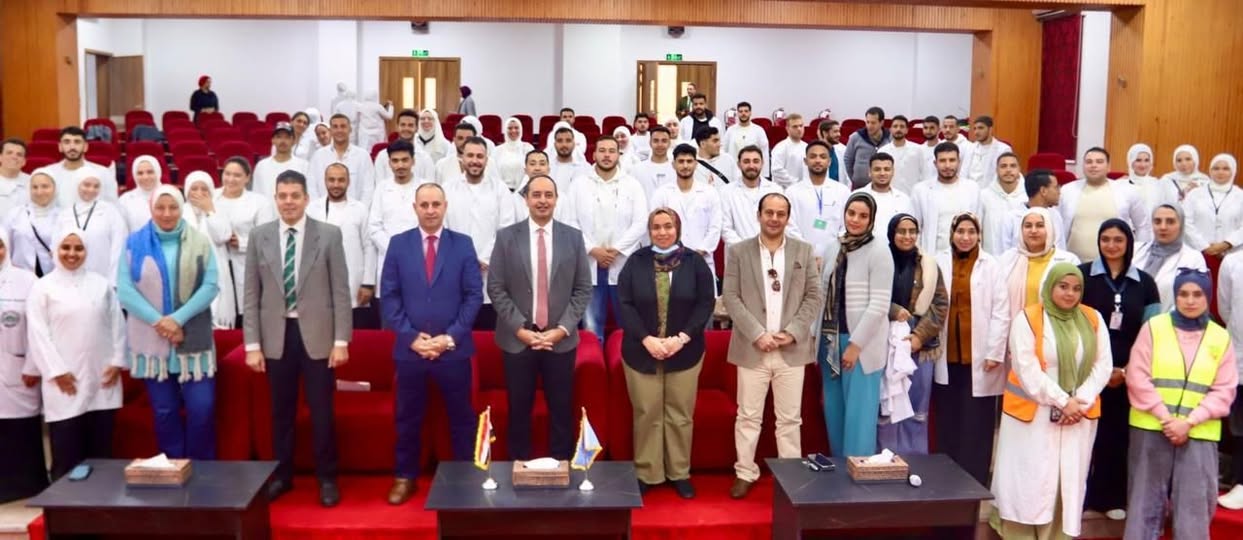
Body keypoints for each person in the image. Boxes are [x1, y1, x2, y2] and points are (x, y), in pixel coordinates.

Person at [243, 171, 353, 507]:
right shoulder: (259, 236)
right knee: (281, 413)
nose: (288, 202)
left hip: (318, 337)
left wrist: (341, 341)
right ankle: (283, 475)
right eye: (283, 196)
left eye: (294, 195)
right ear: (275, 198)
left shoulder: (328, 235)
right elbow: (251, 293)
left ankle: (327, 478)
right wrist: (252, 345)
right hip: (276, 337)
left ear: (306, 198)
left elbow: (340, 290)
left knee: (322, 412)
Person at [991, 263, 1112, 539]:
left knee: (1065, 482)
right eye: (1063, 286)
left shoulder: (1092, 318)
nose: (1070, 294)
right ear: (1049, 286)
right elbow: (1027, 369)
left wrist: (1079, 402)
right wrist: (1062, 401)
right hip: (1032, 417)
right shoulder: (1028, 318)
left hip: (1077, 417)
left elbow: (1103, 365)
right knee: (1029, 482)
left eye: (1076, 288)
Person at [381, 183, 482, 505]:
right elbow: (390, 296)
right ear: (415, 208)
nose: (430, 210)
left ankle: (466, 477)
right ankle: (405, 476)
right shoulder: (398, 244)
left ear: (445, 206)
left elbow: (473, 296)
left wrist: (450, 337)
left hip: (453, 350)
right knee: (407, 418)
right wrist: (411, 338)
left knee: (462, 419)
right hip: (411, 351)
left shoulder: (462, 244)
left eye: (436, 204)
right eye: (424, 204)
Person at [723, 192, 822, 499]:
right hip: (753, 348)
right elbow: (731, 297)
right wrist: (757, 333)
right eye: (769, 212)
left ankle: (790, 477)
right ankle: (745, 471)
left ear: (788, 218)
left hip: (790, 349)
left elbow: (814, 296)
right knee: (748, 417)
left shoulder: (804, 251)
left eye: (781, 213)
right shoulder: (739, 251)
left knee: (790, 419)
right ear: (759, 215)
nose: (774, 218)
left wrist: (792, 332)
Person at [487, 175, 593, 460]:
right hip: (517, 339)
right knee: (519, 408)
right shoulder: (506, 237)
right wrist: (520, 329)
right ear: (526, 199)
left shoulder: (573, 237)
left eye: (548, 195)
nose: (542, 201)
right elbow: (496, 288)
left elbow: (583, 288)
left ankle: (560, 466)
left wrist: (562, 329)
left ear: (556, 199)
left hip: (560, 339)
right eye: (536, 195)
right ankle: (519, 466)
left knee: (561, 408)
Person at [1126, 268, 1236, 540]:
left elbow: (1224, 389)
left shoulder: (1220, 337)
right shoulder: (1154, 328)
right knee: (1143, 506)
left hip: (1199, 432)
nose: (1190, 300)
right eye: (1183, 294)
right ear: (1175, 296)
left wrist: (1189, 422)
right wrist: (1167, 418)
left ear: (1207, 297)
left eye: (1197, 294)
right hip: (1152, 427)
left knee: (1194, 511)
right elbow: (1137, 376)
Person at [618, 208, 715, 498]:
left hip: (684, 351)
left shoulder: (695, 262)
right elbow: (625, 304)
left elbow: (705, 304)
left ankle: (679, 472)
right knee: (647, 413)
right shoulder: (635, 262)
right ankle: (647, 472)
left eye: (668, 226)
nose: (662, 232)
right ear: (649, 231)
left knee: (679, 414)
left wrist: (681, 338)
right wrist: (647, 339)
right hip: (641, 350)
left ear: (678, 229)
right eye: (656, 227)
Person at [118, 185, 220, 460]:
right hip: (153, 343)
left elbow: (210, 286)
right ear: (151, 209)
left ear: (181, 208)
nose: (166, 213)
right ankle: (173, 465)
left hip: (194, 341)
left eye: (173, 207)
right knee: (164, 411)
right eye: (160, 207)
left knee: (202, 408)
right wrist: (160, 322)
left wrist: (177, 319)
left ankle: (202, 468)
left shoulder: (200, 242)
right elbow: (125, 291)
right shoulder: (133, 243)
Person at [1077, 219, 1162, 521]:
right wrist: (1099, 369)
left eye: (1118, 240)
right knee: (1087, 435)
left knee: (1118, 436)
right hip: (1088, 371)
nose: (1111, 246)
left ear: (1129, 243)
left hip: (1129, 373)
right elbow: (1074, 325)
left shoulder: (1145, 283)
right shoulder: (1082, 276)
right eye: (1105, 239)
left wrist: (1125, 370)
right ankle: (1082, 497)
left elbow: (1151, 332)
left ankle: (1113, 497)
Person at [28, 227, 125, 480]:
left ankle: (101, 499)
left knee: (101, 451)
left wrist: (117, 362)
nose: (72, 254)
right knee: (67, 449)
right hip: (64, 382)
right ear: (55, 249)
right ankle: (65, 501)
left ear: (86, 251)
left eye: (79, 248)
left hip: (102, 379)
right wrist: (56, 372)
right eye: (66, 247)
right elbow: (38, 335)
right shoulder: (42, 287)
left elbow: (118, 325)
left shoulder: (101, 284)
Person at [933, 212, 1010, 486]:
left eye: (971, 232)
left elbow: (1001, 312)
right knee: (949, 418)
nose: (965, 237)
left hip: (980, 358)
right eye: (960, 232)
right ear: (952, 234)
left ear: (979, 235)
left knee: (977, 421)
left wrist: (994, 352)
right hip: (947, 356)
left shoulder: (992, 266)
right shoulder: (938, 261)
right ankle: (947, 478)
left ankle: (974, 479)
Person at [818, 192, 893, 459]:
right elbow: (822, 293)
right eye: (851, 213)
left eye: (863, 216)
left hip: (861, 345)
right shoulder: (834, 247)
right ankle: (839, 471)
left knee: (859, 417)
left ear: (871, 220)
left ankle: (858, 473)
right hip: (830, 340)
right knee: (834, 412)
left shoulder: (879, 250)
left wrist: (855, 345)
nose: (855, 220)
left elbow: (879, 305)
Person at [876, 214, 947, 456]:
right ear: (891, 233)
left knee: (917, 408)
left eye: (912, 231)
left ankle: (916, 462)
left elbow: (940, 304)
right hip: (884, 340)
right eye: (901, 231)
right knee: (886, 405)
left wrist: (918, 337)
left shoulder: (929, 265)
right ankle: (886, 461)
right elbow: (870, 297)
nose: (907, 236)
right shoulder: (880, 260)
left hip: (920, 345)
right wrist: (893, 311)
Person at [566, 136, 648, 343]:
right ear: (594, 154)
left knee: (628, 328)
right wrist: (593, 250)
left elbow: (640, 222)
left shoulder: (632, 185)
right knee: (592, 329)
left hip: (622, 263)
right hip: (589, 262)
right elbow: (570, 221)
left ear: (618, 155)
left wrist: (615, 250)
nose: (606, 155)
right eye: (602, 150)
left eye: (611, 151)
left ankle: (625, 361)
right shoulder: (578, 185)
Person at [444, 137, 518, 330]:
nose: (475, 161)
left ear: (487, 159)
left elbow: (506, 229)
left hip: (490, 271)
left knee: (487, 333)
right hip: (456, 271)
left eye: (479, 156)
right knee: (457, 334)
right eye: (470, 155)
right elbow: (443, 228)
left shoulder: (500, 189)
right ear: (461, 158)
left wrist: (484, 258)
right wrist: (466, 259)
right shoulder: (447, 188)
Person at [0, 225, 46, 502]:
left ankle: (27, 485)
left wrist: (32, 365)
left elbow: (38, 328)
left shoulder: (26, 281)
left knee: (20, 429)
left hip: (18, 368)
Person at [307, 163, 378, 330]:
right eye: (331, 180)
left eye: (341, 180)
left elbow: (369, 246)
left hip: (354, 284)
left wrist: (368, 283)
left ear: (348, 182)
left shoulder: (360, 209)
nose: (336, 184)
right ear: (325, 181)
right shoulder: (312, 209)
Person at [1059, 147, 1152, 262]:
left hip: (1115, 263)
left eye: (1099, 162)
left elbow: (1142, 226)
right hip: (1075, 263)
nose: (1093, 165)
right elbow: (1057, 226)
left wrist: (1139, 256)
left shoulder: (1127, 191)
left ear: (1108, 167)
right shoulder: (1067, 190)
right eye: (1089, 162)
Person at [369, 141, 430, 316]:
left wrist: (414, 251)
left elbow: (434, 223)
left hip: (421, 260)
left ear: (413, 161)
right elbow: (374, 226)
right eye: (395, 161)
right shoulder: (381, 188)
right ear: (389, 163)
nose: (400, 165)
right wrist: (396, 250)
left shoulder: (425, 187)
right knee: (390, 322)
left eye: (405, 160)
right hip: (389, 261)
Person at [210, 162, 271, 329]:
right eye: (227, 174)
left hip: (245, 264)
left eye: (237, 175)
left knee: (245, 315)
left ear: (247, 178)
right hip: (217, 263)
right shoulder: (212, 197)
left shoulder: (259, 202)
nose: (231, 179)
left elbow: (268, 238)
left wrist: (242, 242)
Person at [649, 144, 723, 278]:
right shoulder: (662, 193)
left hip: (702, 260)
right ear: (673, 164)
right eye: (681, 161)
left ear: (696, 164)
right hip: (670, 260)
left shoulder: (710, 193)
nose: (685, 166)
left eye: (689, 161)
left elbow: (715, 227)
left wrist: (699, 252)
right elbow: (654, 226)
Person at [999, 208, 1081, 317]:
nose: (1033, 231)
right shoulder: (1007, 259)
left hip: (1051, 323)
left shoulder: (1069, 261)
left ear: (1049, 228)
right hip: (1014, 323)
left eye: (1040, 225)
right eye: (1028, 226)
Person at [55, 170, 128, 280]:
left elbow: (119, 247)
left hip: (103, 277)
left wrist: (113, 279)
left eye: (96, 186)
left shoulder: (110, 212)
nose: (91, 190)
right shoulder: (65, 214)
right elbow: (56, 247)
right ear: (77, 185)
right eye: (86, 185)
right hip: (69, 278)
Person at [910, 142, 981, 254]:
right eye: (942, 161)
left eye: (952, 160)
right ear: (935, 163)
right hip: (932, 256)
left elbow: (978, 226)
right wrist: (919, 257)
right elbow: (914, 228)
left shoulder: (972, 188)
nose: (947, 165)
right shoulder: (920, 190)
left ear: (959, 162)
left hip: (965, 255)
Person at [1134, 205, 1208, 311]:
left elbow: (1194, 298)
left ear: (1181, 225)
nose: (1163, 227)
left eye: (1170, 222)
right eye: (1157, 221)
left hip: (1168, 320)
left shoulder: (1193, 258)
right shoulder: (1136, 250)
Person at [720, 146, 798, 246]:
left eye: (756, 161)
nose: (751, 165)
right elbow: (725, 228)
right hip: (738, 252)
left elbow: (787, 223)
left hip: (771, 250)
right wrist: (745, 249)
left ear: (762, 163)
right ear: (739, 164)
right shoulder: (726, 192)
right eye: (746, 161)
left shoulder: (776, 189)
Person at [786, 141, 850, 261]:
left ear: (829, 161)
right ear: (805, 161)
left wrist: (835, 251)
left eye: (822, 157)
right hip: (801, 256)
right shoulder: (792, 192)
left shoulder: (842, 191)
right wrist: (808, 252)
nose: (818, 160)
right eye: (813, 156)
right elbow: (790, 226)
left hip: (835, 256)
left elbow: (846, 225)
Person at [1216, 251, 1243, 510]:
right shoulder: (1233, 262)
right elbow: (1225, 310)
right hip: (1239, 354)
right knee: (1239, 424)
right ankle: (1240, 482)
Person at [308, 114, 376, 206]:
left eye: (343, 126)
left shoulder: (363, 156)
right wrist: (319, 210)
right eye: (335, 127)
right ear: (330, 130)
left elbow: (368, 189)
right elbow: (312, 187)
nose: (339, 130)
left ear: (350, 129)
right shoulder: (318, 156)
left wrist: (360, 210)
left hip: (355, 211)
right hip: (323, 211)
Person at [1184, 153, 1241, 257]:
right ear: (1210, 171)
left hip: (1233, 254)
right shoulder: (1194, 194)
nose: (1220, 172)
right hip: (1198, 253)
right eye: (1216, 168)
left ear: (1233, 171)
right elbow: (1186, 222)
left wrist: (1226, 244)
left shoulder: (1240, 196)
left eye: (1226, 169)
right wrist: (1205, 247)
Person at [46, 127, 117, 207]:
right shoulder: (48, 174)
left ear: (85, 147)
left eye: (77, 142)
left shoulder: (103, 173)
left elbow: (112, 206)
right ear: (60, 147)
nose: (72, 147)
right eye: (67, 142)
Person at [6, 171, 59, 276]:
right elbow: (4, 245)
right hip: (20, 276)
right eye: (34, 187)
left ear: (55, 188)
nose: (39, 192)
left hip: (54, 277)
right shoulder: (15, 214)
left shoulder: (64, 216)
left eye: (45, 186)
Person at [1001, 169, 1066, 253]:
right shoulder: (1011, 218)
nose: (1059, 192)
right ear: (1043, 191)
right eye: (1056, 187)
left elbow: (1061, 251)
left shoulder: (1055, 215)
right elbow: (1004, 253)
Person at [978, 153, 1029, 256]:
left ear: (1019, 169)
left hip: (1022, 258)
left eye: (1013, 166)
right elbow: (979, 229)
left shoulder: (1028, 196)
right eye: (1003, 166)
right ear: (996, 170)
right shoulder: (984, 196)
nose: (1008, 170)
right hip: (991, 257)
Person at [857, 153, 914, 231]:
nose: (882, 173)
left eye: (887, 169)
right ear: (869, 172)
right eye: (877, 169)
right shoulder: (857, 196)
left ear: (893, 172)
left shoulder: (904, 200)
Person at [253, 122, 309, 199]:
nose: (283, 141)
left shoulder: (304, 166)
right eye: (279, 137)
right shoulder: (261, 166)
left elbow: (307, 194)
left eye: (287, 137)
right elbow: (257, 194)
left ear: (293, 141)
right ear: (273, 140)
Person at [876, 115, 929, 194]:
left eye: (902, 126)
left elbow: (924, 174)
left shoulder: (918, 149)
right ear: (890, 129)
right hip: (890, 195)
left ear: (907, 130)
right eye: (895, 126)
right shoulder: (882, 151)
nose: (898, 129)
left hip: (913, 195)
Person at [842, 106, 891, 188]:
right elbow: (848, 160)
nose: (869, 126)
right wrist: (853, 178)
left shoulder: (890, 138)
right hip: (859, 186)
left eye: (873, 123)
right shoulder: (855, 137)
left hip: (883, 186)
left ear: (881, 123)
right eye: (867, 122)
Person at [961, 116, 1012, 186]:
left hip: (991, 190)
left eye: (980, 128)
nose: (976, 132)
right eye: (975, 129)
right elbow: (963, 172)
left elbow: (1005, 175)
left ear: (990, 129)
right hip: (969, 189)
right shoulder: (969, 148)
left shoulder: (1003, 150)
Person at [117, 155, 164, 231]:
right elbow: (121, 230)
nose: (145, 177)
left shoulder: (170, 195)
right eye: (140, 173)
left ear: (158, 172)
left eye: (150, 172)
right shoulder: (125, 200)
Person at [723, 101, 770, 174]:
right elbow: (724, 151)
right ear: (737, 113)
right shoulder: (730, 130)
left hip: (752, 171)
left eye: (746, 111)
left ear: (750, 113)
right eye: (740, 111)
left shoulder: (759, 130)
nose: (743, 113)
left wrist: (765, 174)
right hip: (733, 171)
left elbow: (764, 153)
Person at [631, 126, 674, 200]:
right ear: (650, 143)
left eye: (664, 141)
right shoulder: (637, 169)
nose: (660, 145)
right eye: (656, 141)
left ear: (669, 143)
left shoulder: (676, 169)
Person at [494, 117, 535, 190]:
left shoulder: (528, 148)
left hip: (523, 191)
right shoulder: (497, 150)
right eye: (510, 128)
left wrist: (521, 191)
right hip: (501, 191)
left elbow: (531, 171)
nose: (513, 130)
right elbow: (494, 173)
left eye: (516, 128)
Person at [1126, 143, 1167, 212]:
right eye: (1138, 160)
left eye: (1147, 160)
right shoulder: (1122, 185)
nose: (1143, 165)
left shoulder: (1157, 184)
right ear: (1131, 162)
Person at [770, 114, 807, 188]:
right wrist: (795, 184)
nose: (799, 129)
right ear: (787, 129)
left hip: (804, 188)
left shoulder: (807, 146)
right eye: (795, 126)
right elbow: (776, 170)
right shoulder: (781, 147)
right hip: (785, 190)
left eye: (801, 126)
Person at [0, 138, 30, 220]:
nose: (14, 157)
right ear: (0, 157)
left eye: (19, 154)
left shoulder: (32, 182)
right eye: (9, 153)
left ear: (24, 161)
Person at [818, 120, 851, 187]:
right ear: (825, 133)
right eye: (835, 132)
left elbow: (846, 176)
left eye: (839, 131)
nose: (839, 134)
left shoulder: (842, 150)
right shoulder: (814, 152)